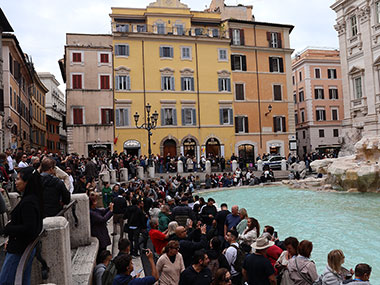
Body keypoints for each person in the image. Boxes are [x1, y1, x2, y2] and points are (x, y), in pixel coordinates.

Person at [0, 167, 43, 284]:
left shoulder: (28, 202)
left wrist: (8, 229)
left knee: (6, 281)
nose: (16, 182)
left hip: (19, 250)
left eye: (18, 179)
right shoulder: (34, 198)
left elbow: (30, 228)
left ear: (27, 182)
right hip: (24, 247)